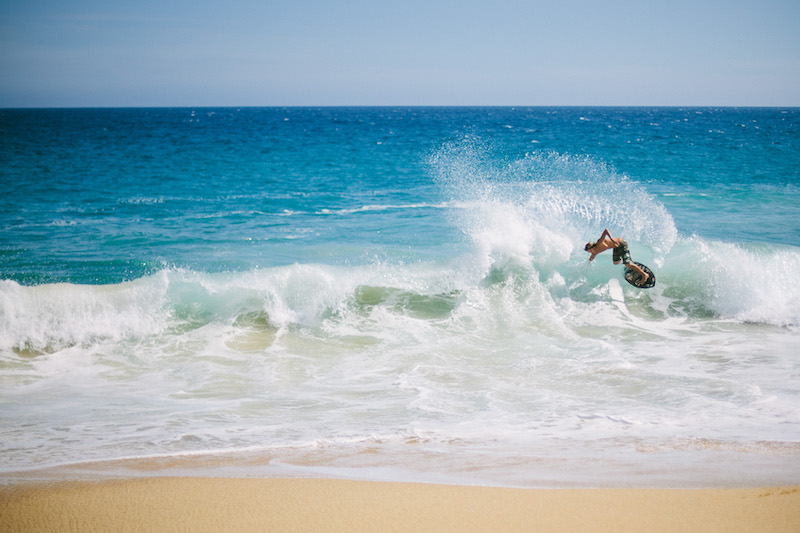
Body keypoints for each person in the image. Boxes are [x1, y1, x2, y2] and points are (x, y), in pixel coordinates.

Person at [584, 229, 649, 285]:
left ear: (592, 247)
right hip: (616, 247)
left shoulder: (599, 243)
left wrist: (611, 239)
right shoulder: (594, 252)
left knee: (627, 263)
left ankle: (644, 275)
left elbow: (606, 231)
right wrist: (585, 269)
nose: (590, 252)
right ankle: (629, 264)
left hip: (621, 243)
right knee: (616, 262)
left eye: (590, 251)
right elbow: (590, 260)